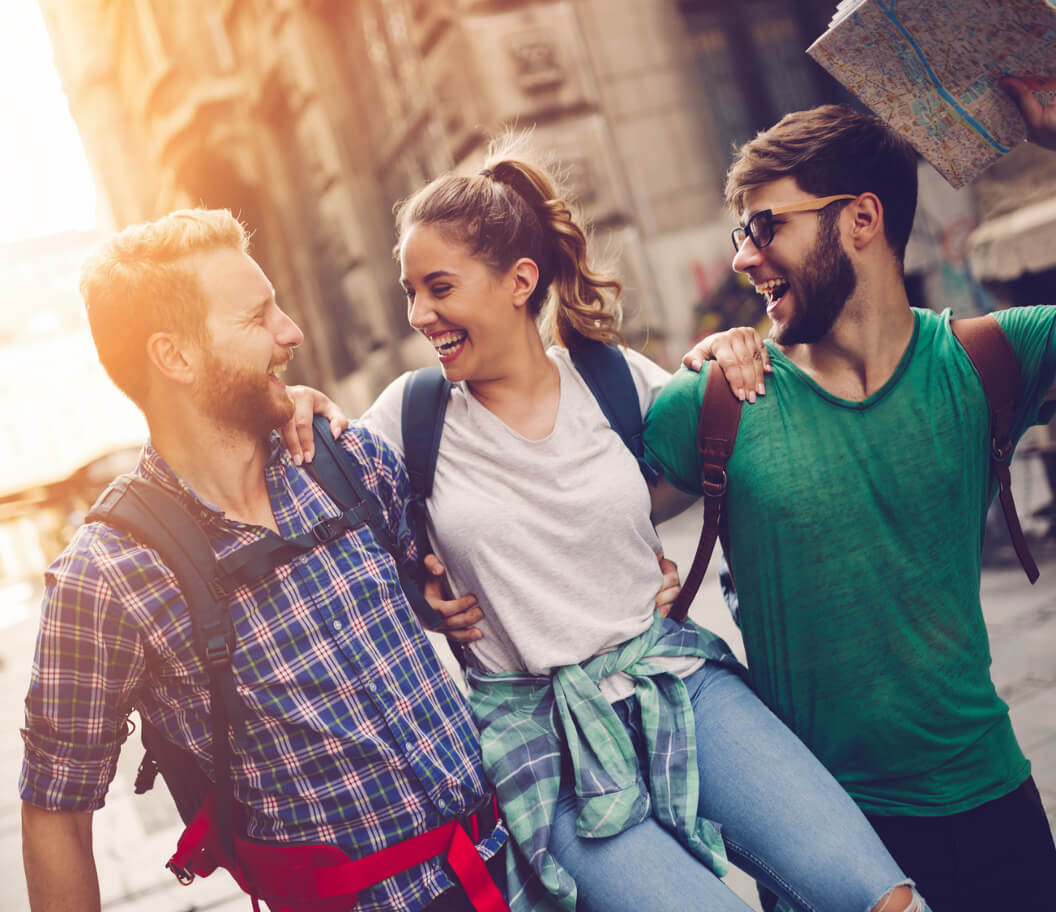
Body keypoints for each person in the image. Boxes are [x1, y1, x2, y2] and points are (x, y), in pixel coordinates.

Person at [347, 137, 926, 912]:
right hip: (540, 741)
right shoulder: (408, 416)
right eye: (410, 292)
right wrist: (407, 575)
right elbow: (328, 538)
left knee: (882, 897)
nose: (421, 315)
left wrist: (731, 348)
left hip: (677, 684)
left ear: (520, 282)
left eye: (439, 287)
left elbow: (723, 452)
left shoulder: (613, 380)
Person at [18, 209, 509, 912]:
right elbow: (53, 816)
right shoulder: (107, 576)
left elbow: (468, 562)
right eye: (257, 318)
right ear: (176, 356)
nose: (291, 332)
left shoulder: (345, 460)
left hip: (518, 866)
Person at [644, 103, 1056, 911]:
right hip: (826, 839)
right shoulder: (714, 403)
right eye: (739, 234)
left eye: (765, 226)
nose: (743, 259)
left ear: (862, 218)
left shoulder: (991, 359)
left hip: (996, 801)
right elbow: (562, 498)